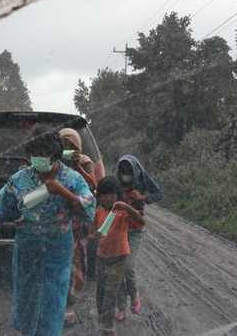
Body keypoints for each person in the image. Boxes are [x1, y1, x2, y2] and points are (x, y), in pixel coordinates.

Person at [0, 124, 96, 336]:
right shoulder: (21, 179)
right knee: (27, 295)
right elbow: (1, 200)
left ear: (54, 154)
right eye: (34, 154)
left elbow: (88, 206)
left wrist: (61, 191)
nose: (38, 158)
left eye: (43, 154)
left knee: (53, 298)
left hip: (58, 250)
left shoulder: (72, 179)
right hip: (27, 248)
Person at [90, 176, 145, 336]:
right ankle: (103, 323)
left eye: (111, 194)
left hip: (119, 259)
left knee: (110, 292)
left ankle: (108, 329)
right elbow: (91, 233)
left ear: (117, 195)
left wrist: (127, 208)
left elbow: (141, 220)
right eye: (104, 194)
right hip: (101, 258)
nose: (107, 198)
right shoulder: (98, 213)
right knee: (100, 293)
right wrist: (96, 236)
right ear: (99, 196)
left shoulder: (121, 212)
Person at [113, 154, 163, 321]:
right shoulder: (116, 182)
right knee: (118, 269)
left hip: (135, 230)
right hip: (118, 230)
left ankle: (134, 294)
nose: (126, 173)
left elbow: (158, 193)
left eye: (129, 170)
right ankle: (121, 306)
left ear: (135, 170)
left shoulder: (141, 178)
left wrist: (143, 197)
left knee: (128, 266)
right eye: (123, 170)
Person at [58, 128, 100, 325]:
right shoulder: (54, 162)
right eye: (64, 145)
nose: (67, 149)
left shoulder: (84, 162)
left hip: (79, 222)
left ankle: (69, 304)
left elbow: (93, 187)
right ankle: (56, 302)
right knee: (57, 261)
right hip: (58, 221)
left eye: (72, 146)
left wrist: (77, 166)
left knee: (74, 263)